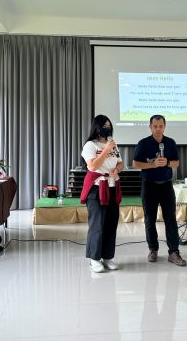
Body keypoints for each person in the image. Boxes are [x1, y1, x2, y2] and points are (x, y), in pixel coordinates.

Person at [133, 114, 186, 266]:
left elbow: (176, 163)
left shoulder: (170, 142)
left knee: (171, 219)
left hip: (166, 186)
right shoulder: (143, 143)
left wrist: (167, 162)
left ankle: (174, 252)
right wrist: (153, 165)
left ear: (164, 127)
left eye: (160, 126)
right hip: (149, 185)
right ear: (150, 127)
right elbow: (136, 163)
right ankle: (153, 249)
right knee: (150, 220)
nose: (158, 129)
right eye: (155, 126)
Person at [80, 115, 124, 273]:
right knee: (97, 225)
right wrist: (106, 150)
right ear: (97, 128)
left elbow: (121, 163)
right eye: (104, 126)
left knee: (111, 224)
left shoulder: (113, 145)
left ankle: (107, 257)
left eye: (109, 126)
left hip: (111, 186)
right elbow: (92, 166)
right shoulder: (90, 145)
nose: (108, 129)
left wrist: (117, 170)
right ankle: (94, 259)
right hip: (96, 187)